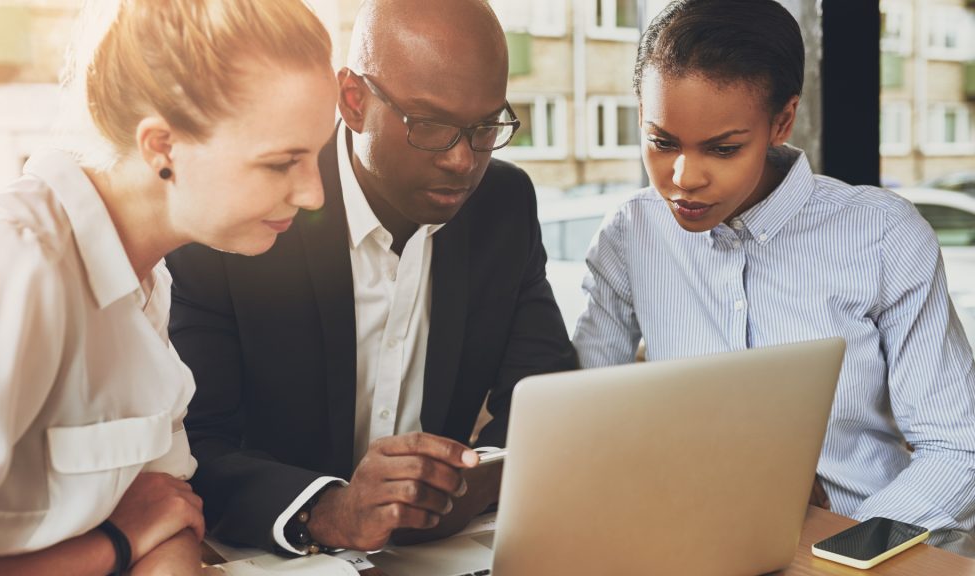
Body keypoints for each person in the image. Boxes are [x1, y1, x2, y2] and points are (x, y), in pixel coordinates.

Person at [166, 0, 577, 555]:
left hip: (436, 555)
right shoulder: (250, 210)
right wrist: (326, 509)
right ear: (354, 102)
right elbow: (192, 441)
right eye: (431, 125)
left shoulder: (504, 203)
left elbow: (545, 396)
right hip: (270, 554)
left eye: (485, 127)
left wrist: (479, 477)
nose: (463, 160)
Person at [573, 0, 975, 556]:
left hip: (864, 551)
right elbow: (582, 425)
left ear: (782, 121)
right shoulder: (629, 234)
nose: (682, 179)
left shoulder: (882, 234)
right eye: (662, 141)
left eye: (723, 148)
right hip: (690, 546)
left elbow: (958, 446)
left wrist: (845, 550)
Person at [0, 1, 336, 573]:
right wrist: (113, 544)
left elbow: (170, 513)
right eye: (282, 163)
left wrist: (143, 535)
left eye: (318, 157)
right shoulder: (10, 265)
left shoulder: (148, 278)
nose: (314, 195)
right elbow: (145, 526)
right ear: (162, 147)